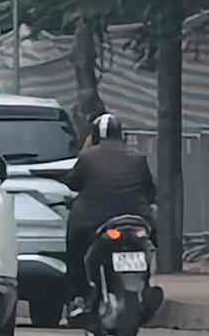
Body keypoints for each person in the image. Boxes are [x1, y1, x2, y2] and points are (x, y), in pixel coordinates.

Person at [59, 112, 156, 319]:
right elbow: (150, 192)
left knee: (74, 251)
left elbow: (73, 182)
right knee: (152, 243)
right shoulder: (138, 157)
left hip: (94, 221)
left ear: (94, 135)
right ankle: (146, 286)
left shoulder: (87, 157)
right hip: (137, 219)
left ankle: (79, 296)